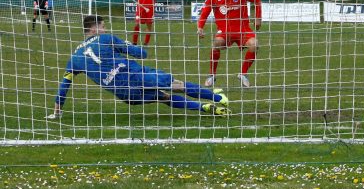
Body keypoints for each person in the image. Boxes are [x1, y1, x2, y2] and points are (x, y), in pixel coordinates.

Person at [46, 15, 229, 120]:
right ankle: (219, 98)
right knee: (176, 84)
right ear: (94, 29)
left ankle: (204, 107)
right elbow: (141, 54)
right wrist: (130, 46)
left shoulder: (74, 58)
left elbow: (64, 86)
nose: (105, 29)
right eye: (103, 26)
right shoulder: (106, 38)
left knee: (163, 97)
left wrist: (57, 111)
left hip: (124, 94)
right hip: (135, 75)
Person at [197, 0, 262, 88]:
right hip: (224, 31)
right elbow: (204, 13)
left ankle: (243, 74)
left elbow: (257, 0)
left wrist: (258, 18)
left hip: (243, 29)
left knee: (254, 44)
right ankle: (212, 75)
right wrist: (200, 27)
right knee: (216, 43)